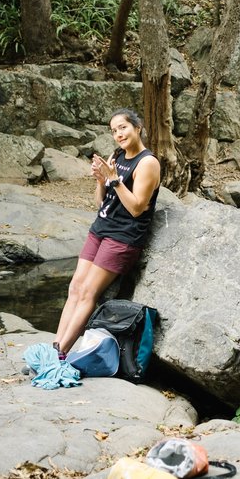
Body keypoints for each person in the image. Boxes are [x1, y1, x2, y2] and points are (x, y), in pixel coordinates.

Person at [52, 108, 161, 357]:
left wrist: (114, 180)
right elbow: (101, 202)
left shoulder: (147, 163)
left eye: (123, 127)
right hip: (100, 229)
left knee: (89, 292)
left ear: (137, 127)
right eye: (114, 131)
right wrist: (101, 181)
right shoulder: (117, 155)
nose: (119, 134)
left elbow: (136, 208)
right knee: (75, 287)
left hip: (123, 236)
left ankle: (62, 352)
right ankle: (55, 345)